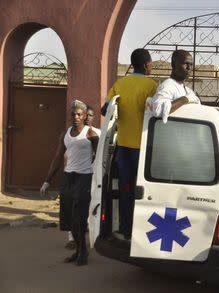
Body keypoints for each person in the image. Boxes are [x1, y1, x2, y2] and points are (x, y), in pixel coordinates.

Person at [100, 49, 158, 240]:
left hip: (123, 147)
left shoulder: (119, 84)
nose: (151, 66)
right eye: (150, 63)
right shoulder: (151, 85)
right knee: (145, 192)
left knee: (126, 189)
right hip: (143, 149)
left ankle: (126, 229)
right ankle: (143, 232)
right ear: (145, 65)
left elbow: (104, 110)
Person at [40, 100, 99, 266]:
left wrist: (97, 178)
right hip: (68, 178)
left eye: (79, 114)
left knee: (79, 217)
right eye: (73, 114)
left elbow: (99, 156)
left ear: (84, 116)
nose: (76, 117)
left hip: (84, 177)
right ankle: (79, 250)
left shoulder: (91, 133)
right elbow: (58, 157)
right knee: (69, 217)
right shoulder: (65, 134)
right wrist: (47, 181)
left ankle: (83, 253)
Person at [150, 49, 201, 122]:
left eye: (191, 64)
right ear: (173, 64)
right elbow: (157, 110)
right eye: (185, 64)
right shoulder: (167, 86)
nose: (189, 68)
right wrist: (185, 99)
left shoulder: (188, 90)